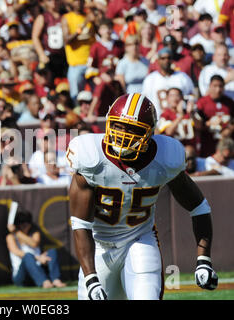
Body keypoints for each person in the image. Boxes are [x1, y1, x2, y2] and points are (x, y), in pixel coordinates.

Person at [66, 93, 218, 300]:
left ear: (149, 134)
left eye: (133, 129)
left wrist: (204, 259)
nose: (123, 134)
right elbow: (80, 224)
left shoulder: (165, 157)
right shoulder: (90, 157)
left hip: (139, 240)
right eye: (118, 126)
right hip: (98, 246)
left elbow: (199, 207)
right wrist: (91, 279)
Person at [6, 210, 66, 289]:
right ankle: (44, 281)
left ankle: (55, 279)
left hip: (39, 269)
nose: (23, 226)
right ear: (16, 224)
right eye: (20, 223)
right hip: (22, 276)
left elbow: (34, 244)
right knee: (27, 256)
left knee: (52, 251)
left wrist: (16, 232)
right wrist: (38, 258)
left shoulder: (35, 234)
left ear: (30, 224)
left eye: (25, 223)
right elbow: (18, 253)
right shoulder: (10, 237)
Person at [141, 47, 194, 118]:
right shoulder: (150, 79)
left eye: (169, 58)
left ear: (172, 60)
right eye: (163, 58)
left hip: (179, 120)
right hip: (157, 120)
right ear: (158, 60)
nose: (166, 60)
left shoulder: (182, 77)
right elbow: (145, 101)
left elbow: (192, 96)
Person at [196, 75, 234, 157]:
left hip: (225, 146)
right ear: (210, 86)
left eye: (220, 86)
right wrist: (208, 124)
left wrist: (229, 129)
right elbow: (197, 124)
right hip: (208, 143)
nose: (218, 90)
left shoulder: (229, 102)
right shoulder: (202, 102)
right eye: (215, 86)